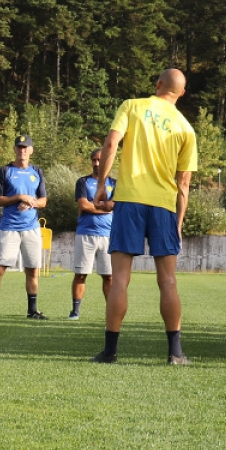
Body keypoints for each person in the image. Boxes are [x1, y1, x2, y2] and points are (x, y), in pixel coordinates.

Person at [90, 68, 198, 365]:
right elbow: (184, 181)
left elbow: (111, 144)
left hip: (129, 201)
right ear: (182, 93)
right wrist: (179, 222)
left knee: (121, 278)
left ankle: (110, 351)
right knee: (168, 281)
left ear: (157, 84)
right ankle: (175, 353)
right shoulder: (186, 127)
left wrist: (102, 185)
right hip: (164, 206)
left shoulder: (133, 106)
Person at [0, 135, 49, 320]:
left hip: (31, 227)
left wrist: (32, 203)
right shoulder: (5, 171)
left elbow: (43, 200)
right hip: (9, 227)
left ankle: (32, 310)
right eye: (19, 147)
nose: (22, 150)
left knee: (33, 270)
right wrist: (20, 196)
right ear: (15, 149)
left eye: (25, 147)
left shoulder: (37, 171)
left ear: (31, 150)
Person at [70, 149, 115, 320]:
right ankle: (75, 311)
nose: (96, 163)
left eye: (99, 160)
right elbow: (84, 205)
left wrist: (95, 206)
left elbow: (115, 205)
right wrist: (105, 206)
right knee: (81, 274)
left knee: (109, 276)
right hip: (86, 234)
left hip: (108, 235)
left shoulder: (115, 183)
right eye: (93, 160)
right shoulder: (82, 182)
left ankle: (111, 312)